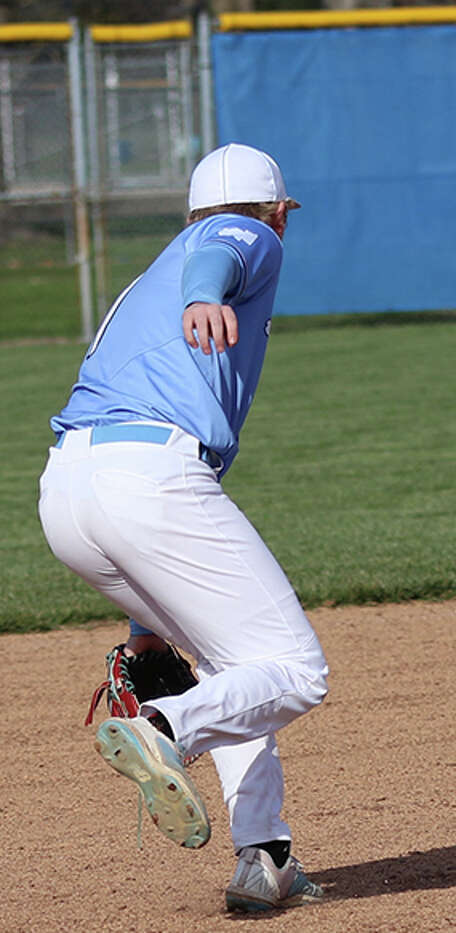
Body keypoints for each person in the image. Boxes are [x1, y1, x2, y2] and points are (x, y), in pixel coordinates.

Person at [37, 143, 329, 912]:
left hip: (68, 489)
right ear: (280, 211)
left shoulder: (152, 271)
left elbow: (207, 250)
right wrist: (209, 293)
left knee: (241, 665)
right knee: (297, 671)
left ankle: (263, 858)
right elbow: (228, 249)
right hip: (150, 475)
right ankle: (166, 725)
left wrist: (145, 623)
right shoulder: (243, 236)